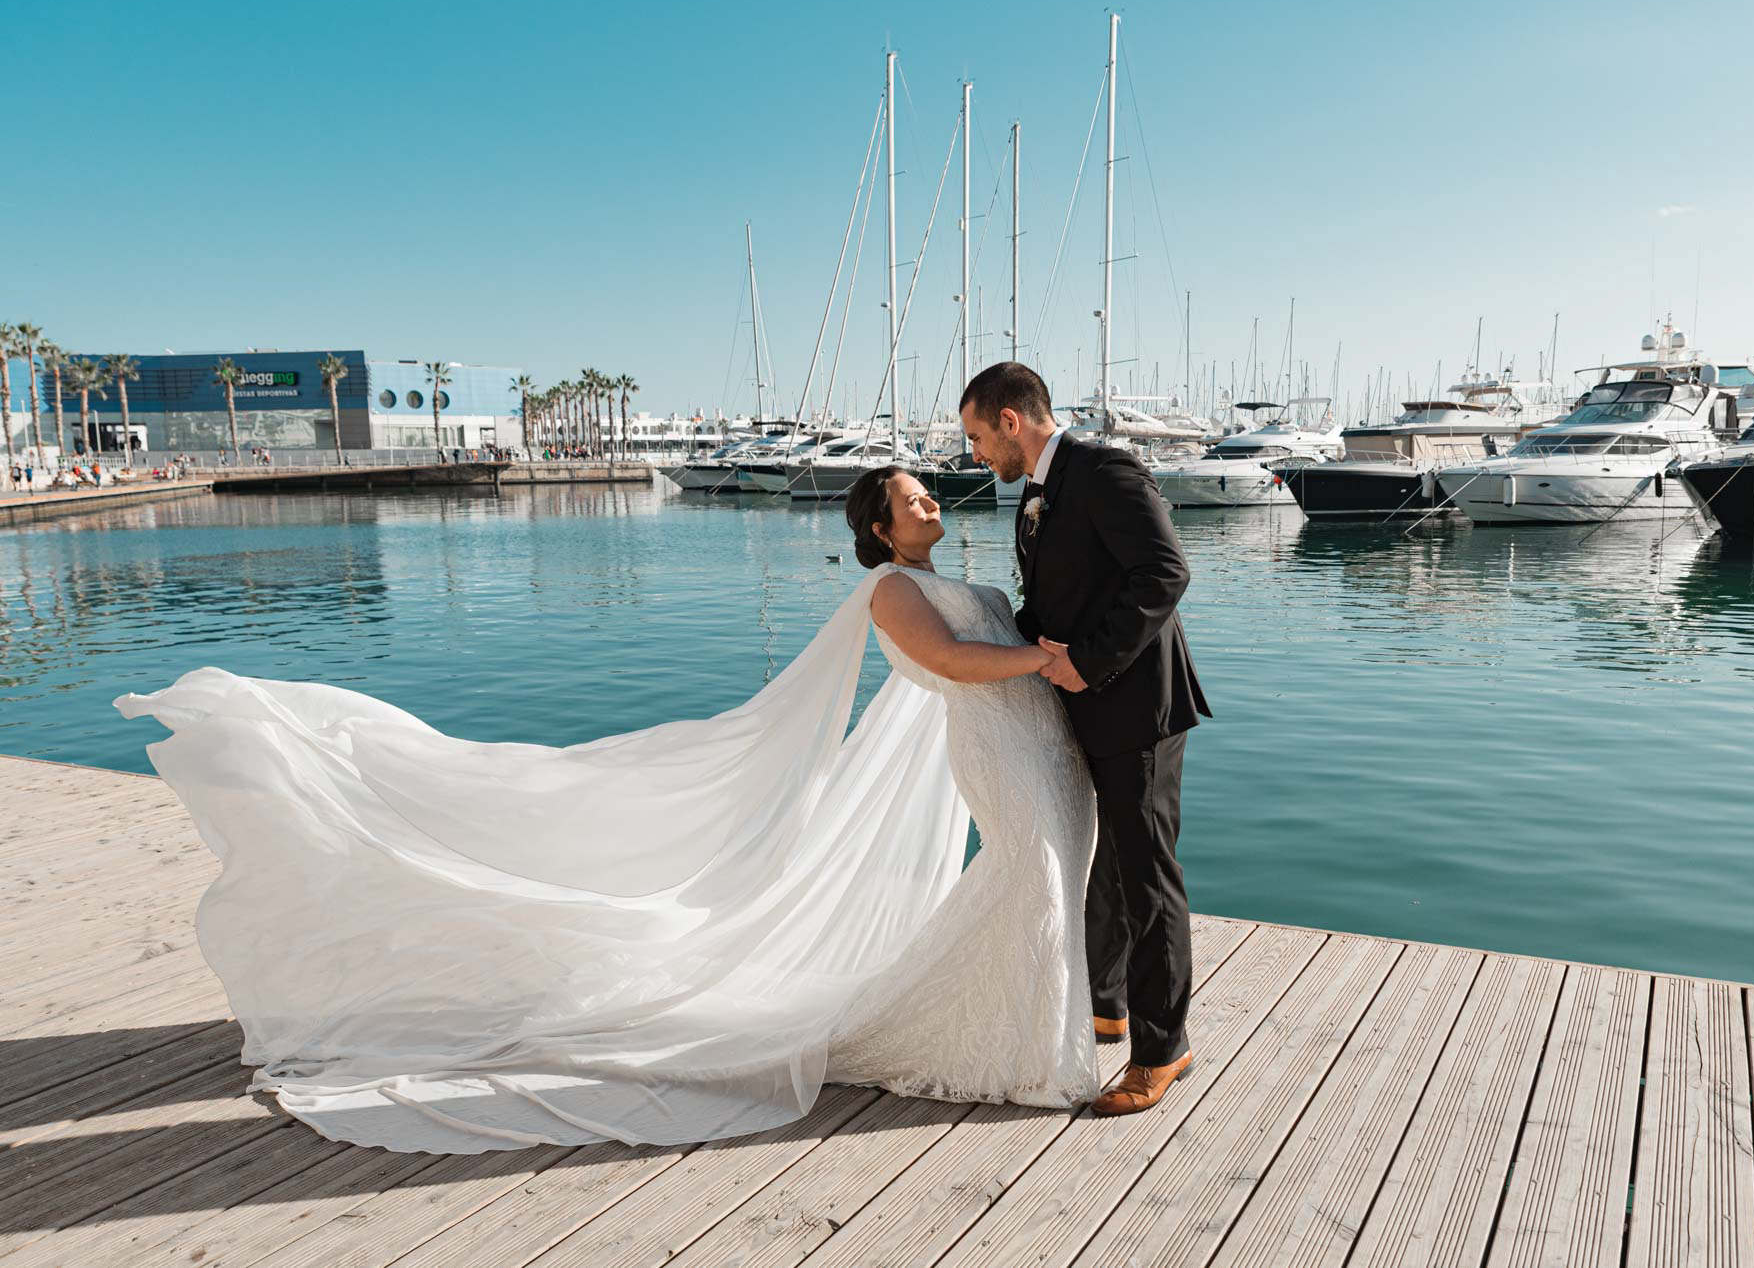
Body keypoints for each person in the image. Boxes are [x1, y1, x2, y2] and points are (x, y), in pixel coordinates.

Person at [114, 462, 1105, 1152]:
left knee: (1042, 879)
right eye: (912, 498)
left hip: (1030, 745)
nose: (931, 500)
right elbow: (943, 663)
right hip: (1001, 746)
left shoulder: (943, 574)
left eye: (928, 492)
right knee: (1032, 877)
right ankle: (1005, 1037)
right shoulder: (894, 589)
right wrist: (1038, 658)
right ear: (880, 530)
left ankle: (1037, 1027)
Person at [958, 360, 1210, 1117]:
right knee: (1104, 859)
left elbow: (1164, 574)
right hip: (1084, 704)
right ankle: (1106, 1003)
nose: (974, 454)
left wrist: (1088, 662)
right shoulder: (1037, 493)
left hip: (1138, 703)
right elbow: (1057, 598)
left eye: (976, 436)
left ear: (1011, 420)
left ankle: (1164, 1051)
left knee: (1146, 871)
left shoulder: (1104, 470)